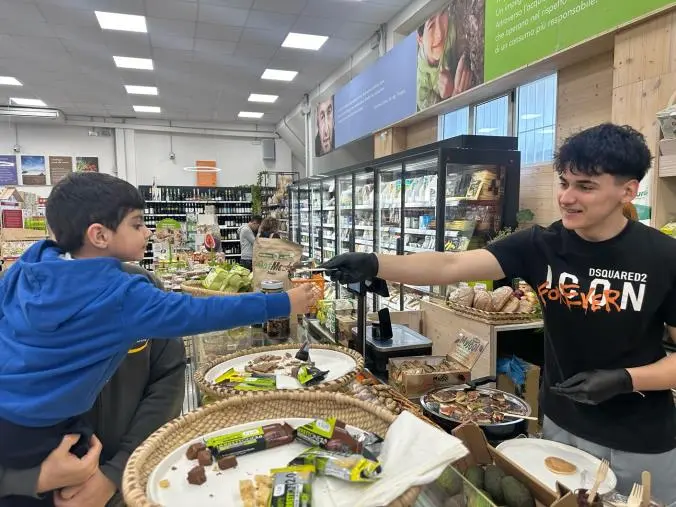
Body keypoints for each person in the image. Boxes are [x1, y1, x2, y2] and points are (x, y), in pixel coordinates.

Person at [322, 124, 676, 504]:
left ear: (628, 189)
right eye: (563, 182)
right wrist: (376, 263)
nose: (567, 197)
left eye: (585, 186)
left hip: (639, 441)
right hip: (560, 424)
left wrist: (625, 379)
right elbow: (451, 264)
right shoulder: (542, 245)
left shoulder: (662, 258)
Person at [0, 173, 316, 506]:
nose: (148, 232)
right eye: (137, 224)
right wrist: (282, 302)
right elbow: (201, 312)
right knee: (72, 487)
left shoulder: (28, 266)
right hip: (51, 426)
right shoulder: (123, 294)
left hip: (11, 422)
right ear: (99, 235)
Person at [0, 263, 185, 507]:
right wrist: (29, 480)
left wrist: (116, 473)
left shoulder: (142, 287)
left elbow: (167, 380)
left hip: (129, 487)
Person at [416, 6, 471, 111]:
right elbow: (436, 119)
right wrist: (455, 94)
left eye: (442, 15)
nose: (440, 34)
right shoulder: (421, 88)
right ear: (420, 39)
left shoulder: (452, 27)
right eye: (431, 26)